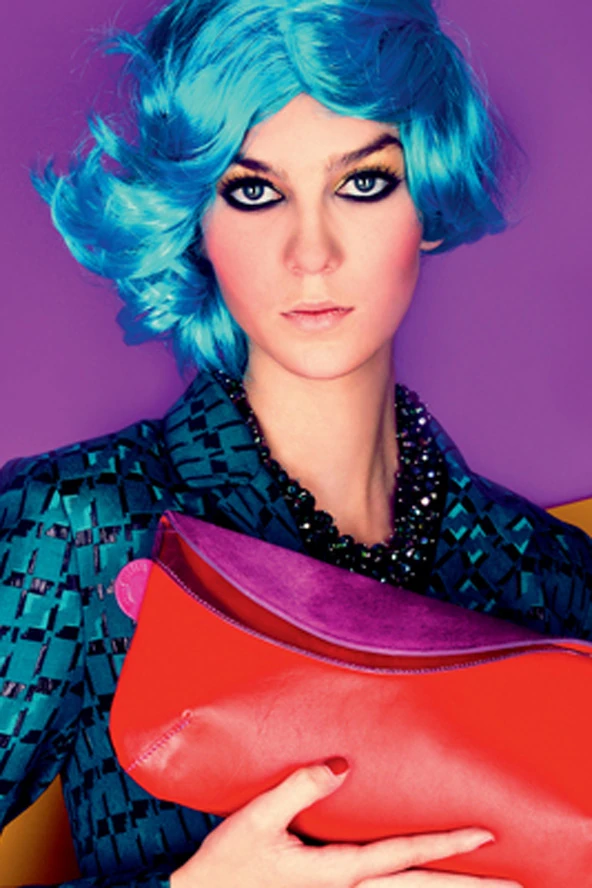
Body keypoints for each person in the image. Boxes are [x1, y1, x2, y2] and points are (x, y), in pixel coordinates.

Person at [1, 0, 590, 885]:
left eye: (363, 184)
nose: (310, 253)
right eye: (253, 191)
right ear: (194, 223)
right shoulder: (85, 524)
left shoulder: (548, 574)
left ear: (428, 199)